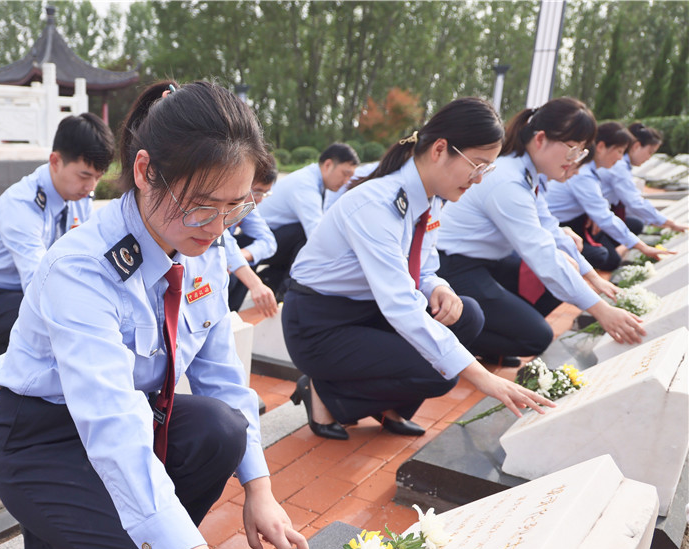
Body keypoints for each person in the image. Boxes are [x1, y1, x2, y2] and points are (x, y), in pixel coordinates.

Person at [0, 80, 330, 549]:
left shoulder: (206, 250)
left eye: (236, 207)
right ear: (145, 171)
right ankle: (49, 541)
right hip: (42, 435)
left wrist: (261, 492)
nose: (218, 226)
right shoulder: (81, 269)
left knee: (222, 428)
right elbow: (114, 431)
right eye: (203, 205)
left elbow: (224, 381)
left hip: (134, 417)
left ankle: (147, 538)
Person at [282, 97, 555, 441]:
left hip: (369, 310)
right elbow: (400, 304)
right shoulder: (377, 204)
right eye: (477, 165)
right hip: (321, 324)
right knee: (440, 373)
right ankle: (324, 393)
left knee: (467, 315)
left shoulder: (431, 198)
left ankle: (391, 408)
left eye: (486, 170)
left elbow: (423, 269)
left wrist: (439, 287)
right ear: (440, 149)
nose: (478, 179)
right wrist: (482, 377)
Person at [437, 99, 647, 366]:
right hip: (452, 267)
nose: (575, 161)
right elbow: (543, 254)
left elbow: (550, 229)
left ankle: (496, 330)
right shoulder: (509, 182)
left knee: (563, 274)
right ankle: (439, 333)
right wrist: (601, 310)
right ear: (540, 139)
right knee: (536, 337)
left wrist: (593, 278)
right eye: (572, 149)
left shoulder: (526, 174)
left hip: (487, 261)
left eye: (581, 151)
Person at [0, 112, 115, 366]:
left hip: (14, 293)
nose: (91, 186)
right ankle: (0, 368)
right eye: (84, 176)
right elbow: (38, 282)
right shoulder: (22, 205)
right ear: (55, 161)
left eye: (98, 177)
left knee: (74, 305)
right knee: (54, 312)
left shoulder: (79, 198)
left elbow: (84, 256)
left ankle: (9, 363)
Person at [545, 121, 670, 271]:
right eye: (619, 151)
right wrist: (643, 247)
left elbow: (601, 210)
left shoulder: (589, 169)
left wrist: (593, 214)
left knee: (630, 229)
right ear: (601, 147)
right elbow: (607, 215)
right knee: (603, 257)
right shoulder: (582, 174)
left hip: (580, 221)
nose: (620, 158)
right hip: (562, 224)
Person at [258, 143, 359, 299]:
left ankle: (272, 281)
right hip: (256, 240)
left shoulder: (318, 182)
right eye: (345, 174)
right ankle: (288, 292)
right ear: (328, 165)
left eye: (350, 177)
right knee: (305, 237)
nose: (346, 181)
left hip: (274, 238)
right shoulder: (305, 184)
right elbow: (316, 233)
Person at [598, 122, 687, 233]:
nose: (649, 158)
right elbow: (634, 202)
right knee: (634, 225)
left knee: (634, 223)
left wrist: (661, 221)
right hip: (589, 216)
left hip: (598, 213)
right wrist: (669, 223)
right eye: (650, 152)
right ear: (636, 146)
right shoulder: (619, 167)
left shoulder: (622, 166)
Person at [225, 156, 279, 316]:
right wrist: (255, 284)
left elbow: (269, 242)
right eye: (256, 192)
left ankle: (232, 312)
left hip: (227, 259)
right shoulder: (219, 200)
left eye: (265, 193)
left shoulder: (248, 207)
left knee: (247, 253)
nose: (260, 199)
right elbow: (219, 238)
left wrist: (241, 255)